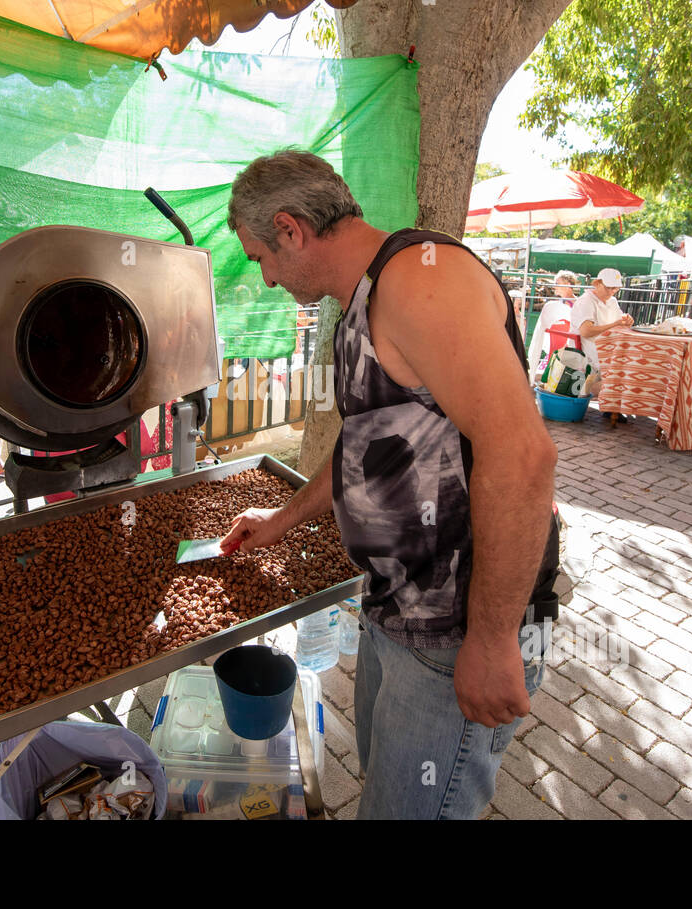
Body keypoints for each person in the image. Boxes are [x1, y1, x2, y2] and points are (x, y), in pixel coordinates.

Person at [218, 151, 560, 820]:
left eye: (261, 256)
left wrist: (491, 642)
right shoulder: (359, 305)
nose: (265, 277)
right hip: (393, 613)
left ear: (291, 228)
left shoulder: (419, 283)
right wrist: (283, 518)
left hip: (455, 630)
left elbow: (522, 457)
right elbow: (364, 445)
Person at [569, 267, 635, 420]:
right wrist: (615, 324)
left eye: (615, 288)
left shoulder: (612, 301)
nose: (612, 291)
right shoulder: (586, 301)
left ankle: (613, 404)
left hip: (608, 343)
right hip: (589, 345)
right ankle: (612, 405)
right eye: (609, 287)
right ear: (597, 283)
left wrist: (626, 321)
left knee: (633, 357)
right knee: (621, 361)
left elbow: (620, 321)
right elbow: (586, 331)